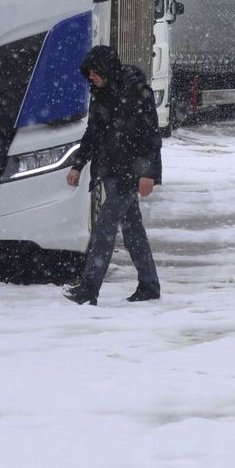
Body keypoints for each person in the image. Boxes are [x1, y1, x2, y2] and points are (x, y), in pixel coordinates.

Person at [62, 44, 163, 306]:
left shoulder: (137, 92)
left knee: (105, 226)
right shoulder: (101, 93)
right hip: (110, 171)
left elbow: (151, 137)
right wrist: (78, 164)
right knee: (133, 230)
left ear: (107, 69)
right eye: (89, 74)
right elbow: (93, 133)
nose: (91, 78)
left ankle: (89, 287)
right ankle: (149, 285)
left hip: (129, 173)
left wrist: (148, 174)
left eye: (95, 72)